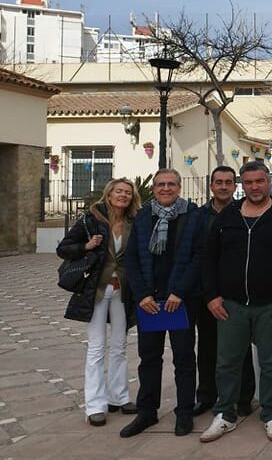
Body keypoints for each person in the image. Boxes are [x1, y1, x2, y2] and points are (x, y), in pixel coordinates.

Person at [199, 161, 272, 443]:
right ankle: (225, 415)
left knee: (271, 363)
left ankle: (271, 413)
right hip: (230, 305)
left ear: (268, 182)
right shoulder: (228, 216)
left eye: (260, 181)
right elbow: (208, 258)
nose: (254, 187)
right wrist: (211, 296)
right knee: (227, 363)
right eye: (248, 182)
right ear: (241, 185)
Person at [121, 169, 201, 438]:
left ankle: (185, 414)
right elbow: (131, 259)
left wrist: (179, 291)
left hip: (180, 301)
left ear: (179, 187)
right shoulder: (144, 216)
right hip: (150, 302)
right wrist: (141, 295)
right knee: (149, 358)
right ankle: (147, 412)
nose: (165, 188)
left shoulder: (192, 215)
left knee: (184, 359)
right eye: (160, 184)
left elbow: (199, 257)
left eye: (171, 184)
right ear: (153, 188)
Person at [57, 178, 141, 426]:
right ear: (109, 193)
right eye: (118, 191)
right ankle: (95, 405)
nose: (123, 195)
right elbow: (64, 248)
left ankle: (119, 397)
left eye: (127, 192)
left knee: (119, 345)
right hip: (96, 290)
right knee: (96, 347)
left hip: (122, 292)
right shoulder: (91, 219)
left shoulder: (133, 221)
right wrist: (86, 245)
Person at [193, 166, 256, 418]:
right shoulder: (198, 217)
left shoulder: (244, 212)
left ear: (234, 186)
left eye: (228, 182)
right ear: (211, 186)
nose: (223, 186)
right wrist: (209, 294)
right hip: (207, 294)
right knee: (207, 347)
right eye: (218, 182)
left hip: (236, 294)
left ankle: (243, 398)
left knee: (240, 349)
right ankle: (207, 396)